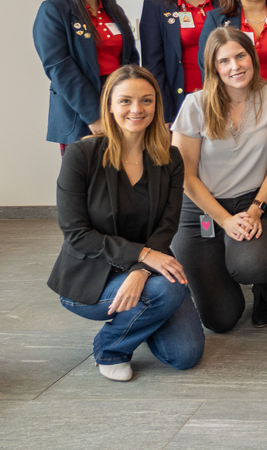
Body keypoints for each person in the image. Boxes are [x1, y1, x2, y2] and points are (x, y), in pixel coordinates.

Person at [48, 66, 204, 381]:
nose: (137, 109)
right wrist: (144, 258)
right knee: (168, 290)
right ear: (109, 105)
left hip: (146, 273)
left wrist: (140, 271)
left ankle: (141, 316)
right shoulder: (82, 154)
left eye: (146, 101)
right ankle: (110, 348)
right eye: (126, 101)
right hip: (88, 278)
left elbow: (167, 225)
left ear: (156, 106)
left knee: (185, 356)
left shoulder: (170, 158)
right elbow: (77, 234)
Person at [171, 28, 267, 332]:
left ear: (252, 57)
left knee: (252, 265)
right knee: (222, 319)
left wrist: (255, 210)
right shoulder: (195, 104)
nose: (235, 66)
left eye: (240, 56)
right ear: (213, 67)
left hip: (253, 201)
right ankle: (219, 268)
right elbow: (185, 177)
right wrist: (226, 221)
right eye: (224, 60)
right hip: (201, 209)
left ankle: (261, 282)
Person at [34, 0, 140, 149]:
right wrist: (94, 115)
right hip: (81, 108)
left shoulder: (114, 11)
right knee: (87, 178)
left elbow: (131, 58)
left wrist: (132, 100)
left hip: (121, 102)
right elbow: (59, 68)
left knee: (126, 174)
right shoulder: (54, 10)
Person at [140, 0, 219, 124]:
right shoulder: (156, 6)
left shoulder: (225, 3)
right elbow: (153, 67)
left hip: (221, 96)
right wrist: (165, 114)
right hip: (180, 100)